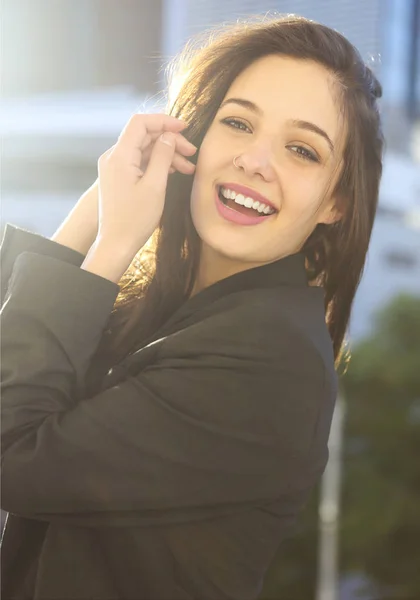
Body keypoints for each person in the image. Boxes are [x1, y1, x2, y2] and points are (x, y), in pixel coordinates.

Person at [0, 13, 383, 600]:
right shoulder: (179, 309)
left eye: (302, 150)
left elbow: (12, 454)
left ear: (337, 200)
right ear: (192, 140)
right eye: (237, 123)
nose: (256, 161)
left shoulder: (271, 361)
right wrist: (99, 205)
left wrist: (114, 244)